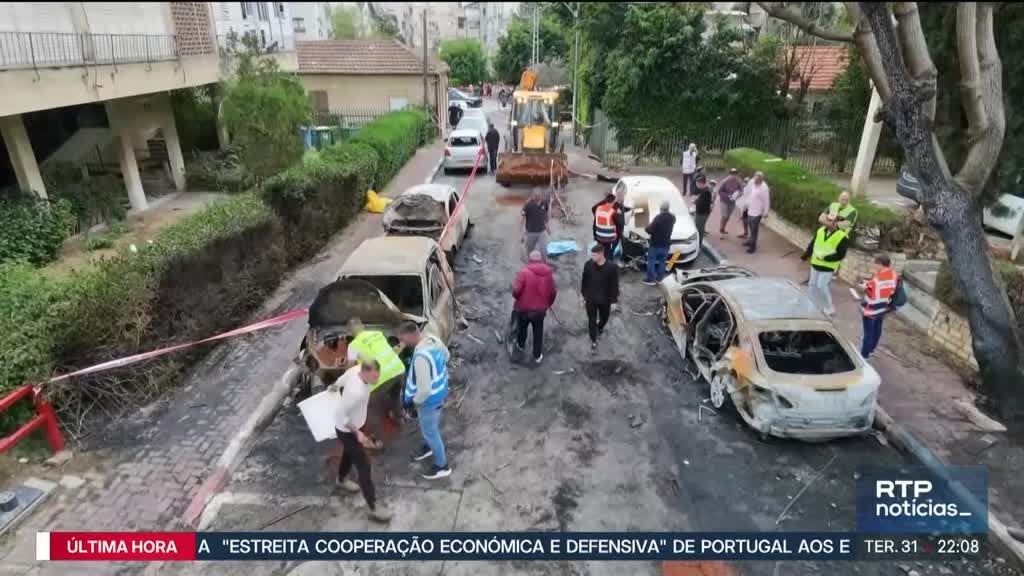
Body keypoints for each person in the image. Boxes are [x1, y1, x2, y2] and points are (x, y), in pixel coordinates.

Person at [332, 359, 392, 523]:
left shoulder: (357, 369)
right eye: (374, 378)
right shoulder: (354, 393)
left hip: (357, 423)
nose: (376, 381)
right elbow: (340, 416)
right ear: (365, 372)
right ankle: (373, 507)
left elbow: (343, 378)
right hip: (346, 430)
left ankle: (341, 480)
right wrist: (357, 433)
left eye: (377, 376)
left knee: (348, 453)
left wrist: (335, 385)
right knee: (364, 465)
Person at [398, 322, 452, 480]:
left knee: (431, 432)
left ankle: (442, 466)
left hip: (428, 401)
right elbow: (447, 356)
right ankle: (429, 447)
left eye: (403, 339)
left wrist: (413, 403)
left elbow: (424, 390)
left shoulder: (421, 357)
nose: (403, 343)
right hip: (440, 392)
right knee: (431, 428)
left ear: (410, 336)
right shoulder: (432, 339)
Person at [345, 318, 407, 446]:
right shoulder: (378, 334)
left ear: (350, 332)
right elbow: (384, 352)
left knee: (370, 407)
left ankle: (378, 440)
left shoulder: (353, 346)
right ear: (362, 326)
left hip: (381, 378)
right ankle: (399, 416)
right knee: (395, 395)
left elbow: (350, 369)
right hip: (398, 370)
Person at [512, 250, 558, 363]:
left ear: (530, 259)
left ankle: (520, 346)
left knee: (522, 329)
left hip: (523, 309)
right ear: (541, 259)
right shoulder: (548, 273)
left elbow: (516, 291)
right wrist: (548, 304)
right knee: (538, 332)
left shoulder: (524, 272)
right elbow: (553, 292)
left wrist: (517, 298)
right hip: (539, 311)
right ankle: (537, 356)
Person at [801, 215, 850, 317]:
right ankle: (812, 304)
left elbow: (841, 254)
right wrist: (805, 255)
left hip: (828, 267)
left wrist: (825, 258)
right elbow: (813, 244)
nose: (825, 225)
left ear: (835, 223)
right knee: (812, 285)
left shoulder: (842, 236)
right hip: (815, 264)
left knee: (822, 286)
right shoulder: (820, 231)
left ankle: (829, 307)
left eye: (828, 223)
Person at [580, 243, 620, 351]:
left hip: (605, 300)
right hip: (591, 299)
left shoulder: (611, 268)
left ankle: (601, 326)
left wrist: (613, 301)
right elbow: (584, 281)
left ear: (601, 254)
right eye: (591, 255)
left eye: (594, 255)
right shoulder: (588, 265)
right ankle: (593, 340)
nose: (592, 257)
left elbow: (614, 285)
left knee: (605, 317)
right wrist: (583, 296)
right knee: (591, 320)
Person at [859, 254, 899, 359]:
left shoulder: (877, 279)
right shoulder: (894, 275)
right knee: (877, 330)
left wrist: (864, 287)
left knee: (868, 333)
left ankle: (864, 355)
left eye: (875, 264)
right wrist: (869, 283)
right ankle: (872, 349)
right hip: (883, 308)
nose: (874, 267)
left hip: (871, 310)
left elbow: (870, 292)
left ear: (880, 264)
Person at [643, 201, 675, 286]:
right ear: (668, 209)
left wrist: (647, 227)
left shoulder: (658, 218)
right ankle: (660, 278)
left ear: (661, 209)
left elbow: (649, 230)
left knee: (651, 261)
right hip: (666, 244)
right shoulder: (672, 218)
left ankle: (651, 279)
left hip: (655, 245)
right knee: (662, 261)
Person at [742, 171, 770, 254]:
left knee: (754, 229)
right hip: (750, 210)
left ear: (761, 180)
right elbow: (749, 194)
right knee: (750, 226)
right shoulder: (753, 183)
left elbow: (766, 200)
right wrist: (745, 204)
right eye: (754, 179)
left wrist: (766, 211)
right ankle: (750, 241)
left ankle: (753, 246)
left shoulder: (764, 188)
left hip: (757, 212)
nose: (754, 181)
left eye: (757, 180)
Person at [521, 189, 550, 261]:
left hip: (541, 232)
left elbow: (545, 215)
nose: (537, 197)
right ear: (532, 196)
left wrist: (547, 226)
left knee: (544, 250)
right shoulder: (528, 205)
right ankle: (529, 265)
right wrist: (522, 233)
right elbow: (522, 219)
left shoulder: (544, 203)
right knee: (530, 251)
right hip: (531, 232)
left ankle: (544, 265)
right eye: (535, 196)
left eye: (539, 195)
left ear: (541, 196)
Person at [592, 193, 623, 260]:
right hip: (608, 238)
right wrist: (620, 214)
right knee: (608, 253)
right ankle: (607, 264)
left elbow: (593, 209)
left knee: (601, 251)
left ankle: (599, 263)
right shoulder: (612, 212)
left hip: (598, 236)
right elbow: (620, 224)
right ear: (613, 202)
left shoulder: (598, 208)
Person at [716, 168, 744, 236]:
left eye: (735, 174)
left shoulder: (738, 181)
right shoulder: (725, 181)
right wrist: (728, 195)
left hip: (732, 202)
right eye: (732, 174)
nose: (733, 176)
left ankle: (723, 228)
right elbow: (719, 191)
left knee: (728, 216)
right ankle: (721, 229)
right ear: (730, 174)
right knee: (724, 215)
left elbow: (741, 190)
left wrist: (737, 195)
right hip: (724, 201)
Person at [692, 174, 714, 246]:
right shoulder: (704, 190)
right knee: (700, 228)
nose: (697, 185)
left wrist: (695, 201)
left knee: (699, 229)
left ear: (700, 183)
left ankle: (698, 244)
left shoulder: (705, 192)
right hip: (703, 212)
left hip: (701, 214)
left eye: (697, 184)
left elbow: (702, 204)